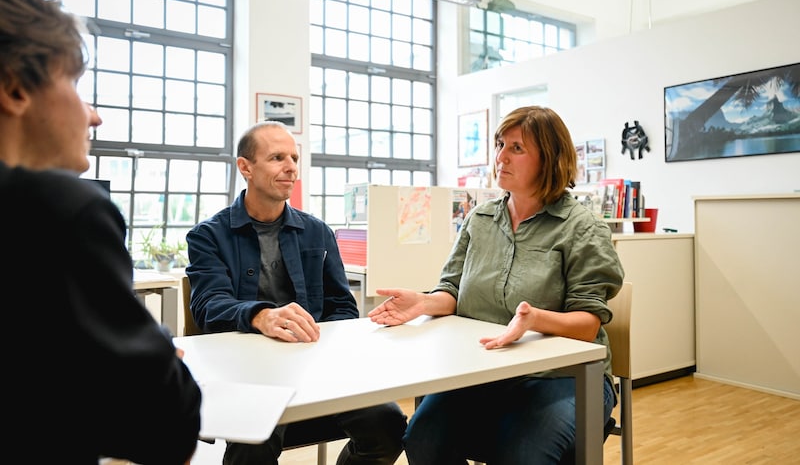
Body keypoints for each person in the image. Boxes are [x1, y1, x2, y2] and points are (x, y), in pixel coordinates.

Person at [0, 0, 202, 464]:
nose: (94, 117)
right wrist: (161, 352)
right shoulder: (61, 210)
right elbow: (163, 428)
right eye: (74, 83)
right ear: (15, 88)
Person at [369, 105, 624, 464]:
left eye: (516, 148)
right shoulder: (481, 218)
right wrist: (424, 303)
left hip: (561, 377)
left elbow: (587, 325)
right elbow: (452, 291)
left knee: (520, 456)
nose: (500, 157)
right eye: (499, 144)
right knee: (423, 440)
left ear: (549, 159)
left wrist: (534, 319)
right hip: (483, 370)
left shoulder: (582, 227)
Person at [185, 121, 407, 465]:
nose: (291, 167)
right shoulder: (208, 236)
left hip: (316, 370)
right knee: (252, 443)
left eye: (293, 157)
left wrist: (322, 353)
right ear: (245, 167)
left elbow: (342, 309)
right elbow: (208, 306)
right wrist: (262, 316)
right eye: (276, 157)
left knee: (390, 426)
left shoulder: (317, 232)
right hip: (248, 375)